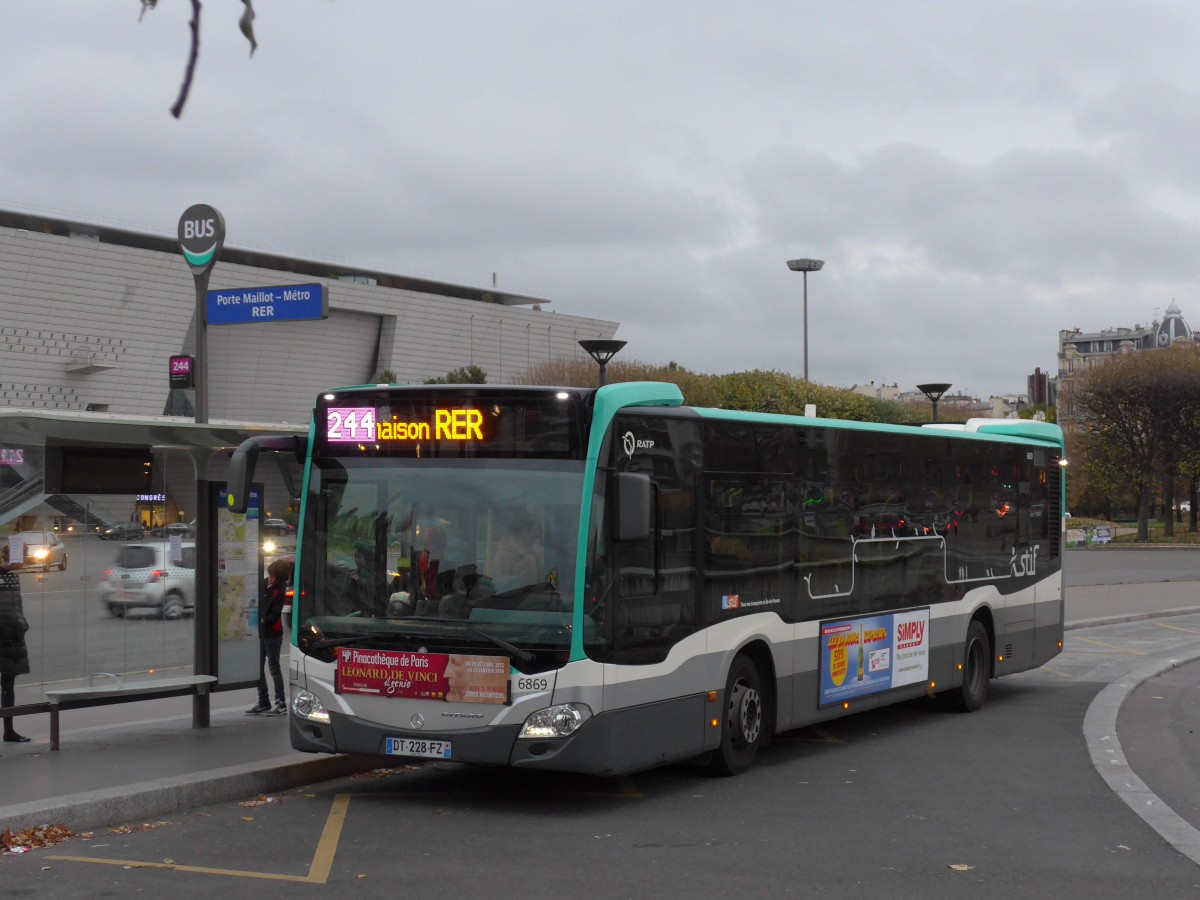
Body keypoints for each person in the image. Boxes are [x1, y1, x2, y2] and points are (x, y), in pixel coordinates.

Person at [246, 557, 288, 716]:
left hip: (272, 634)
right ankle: (263, 700)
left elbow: (275, 615)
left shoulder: (280, 591)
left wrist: (261, 619)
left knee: (274, 667)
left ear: (278, 577)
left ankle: (281, 702)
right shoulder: (264, 584)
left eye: (272, 576)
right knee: (258, 667)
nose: (270, 578)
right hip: (261, 632)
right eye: (270, 574)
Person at [0, 543, 30, 742]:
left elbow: (15, 605)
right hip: (6, 633)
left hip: (11, 635)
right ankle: (8, 731)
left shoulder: (11, 576)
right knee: (7, 685)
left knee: (8, 685)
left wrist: (21, 624)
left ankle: (9, 730)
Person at [492, 509, 543, 586]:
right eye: (536, 530)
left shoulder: (534, 553)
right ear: (524, 531)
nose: (538, 535)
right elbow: (498, 588)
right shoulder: (504, 556)